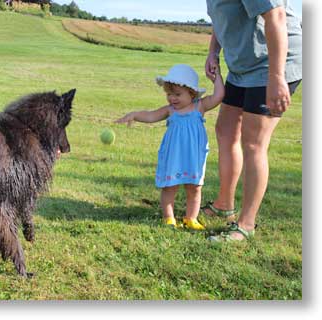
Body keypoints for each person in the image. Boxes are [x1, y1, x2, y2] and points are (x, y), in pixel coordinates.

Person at [203, 0, 302, 241]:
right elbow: (221, 18)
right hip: (243, 66)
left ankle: (246, 225)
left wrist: (277, 78)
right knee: (225, 130)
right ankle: (224, 204)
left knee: (253, 143)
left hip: (274, 62)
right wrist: (213, 51)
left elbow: (276, 17)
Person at [115, 64, 224, 230]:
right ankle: (169, 218)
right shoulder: (170, 110)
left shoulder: (199, 106)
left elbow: (218, 96)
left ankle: (191, 218)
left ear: (192, 92)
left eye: (178, 94)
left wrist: (217, 78)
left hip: (193, 156)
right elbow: (151, 115)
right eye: (169, 94)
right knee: (169, 187)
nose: (173, 98)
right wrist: (135, 115)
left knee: (194, 188)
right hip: (173, 155)